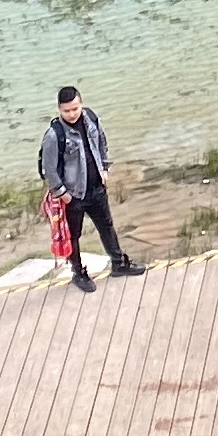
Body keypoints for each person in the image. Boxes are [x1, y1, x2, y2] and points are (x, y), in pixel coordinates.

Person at [37, 88, 141, 287]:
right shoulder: (54, 135)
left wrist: (104, 167)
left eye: (75, 108)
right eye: (67, 111)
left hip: (96, 189)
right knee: (73, 236)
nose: (72, 114)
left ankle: (118, 263)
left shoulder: (91, 118)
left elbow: (101, 141)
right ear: (59, 109)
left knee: (107, 227)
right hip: (73, 195)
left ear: (81, 103)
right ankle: (78, 272)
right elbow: (49, 169)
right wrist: (63, 194)